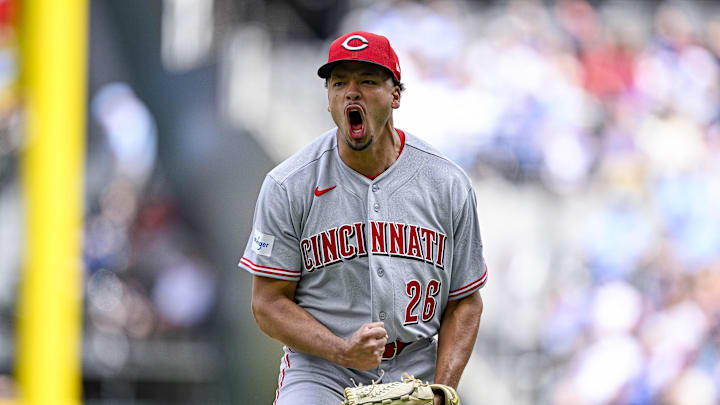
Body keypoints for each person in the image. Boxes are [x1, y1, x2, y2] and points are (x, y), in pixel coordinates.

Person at [240, 31, 487, 405]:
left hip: (416, 365)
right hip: (322, 368)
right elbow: (267, 303)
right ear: (328, 100)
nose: (351, 93)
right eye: (339, 83)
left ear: (395, 95)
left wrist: (442, 388)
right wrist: (340, 350)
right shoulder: (289, 184)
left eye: (368, 81)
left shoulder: (446, 182)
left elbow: (466, 301)